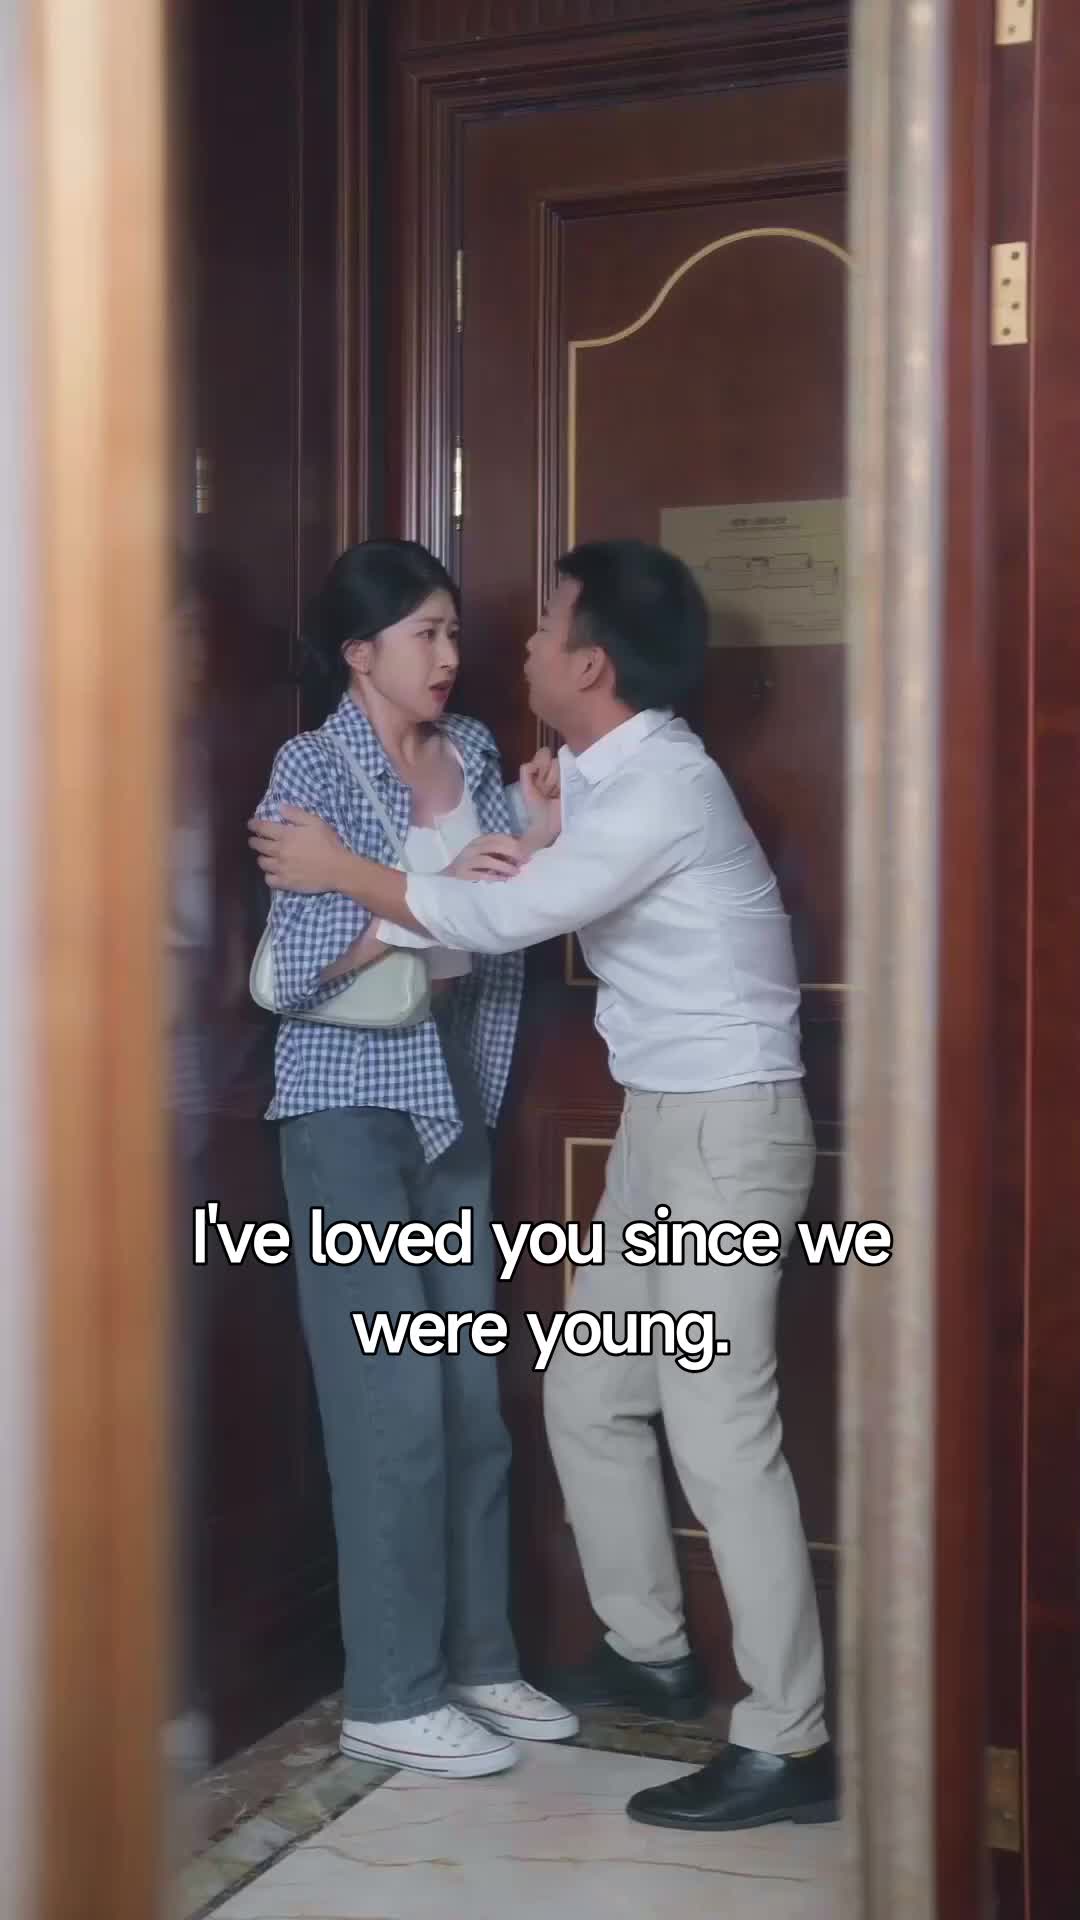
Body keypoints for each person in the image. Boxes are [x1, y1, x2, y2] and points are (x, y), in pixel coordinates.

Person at [249, 537, 837, 1833]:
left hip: (728, 1136)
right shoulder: (601, 779)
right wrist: (524, 836)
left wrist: (349, 872)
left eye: (542, 622)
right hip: (662, 1128)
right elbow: (498, 888)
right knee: (587, 1389)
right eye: (436, 630)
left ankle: (789, 1736)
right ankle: (650, 1650)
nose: (510, 645)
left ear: (592, 662)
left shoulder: (664, 787)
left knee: (719, 1426)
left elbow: (502, 920)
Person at [251, 538, 577, 1779]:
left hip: (454, 1089)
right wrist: (422, 894)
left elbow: (499, 913)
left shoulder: (478, 753)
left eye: (452, 631)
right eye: (423, 633)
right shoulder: (312, 764)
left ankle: (479, 1659)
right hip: (346, 1104)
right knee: (390, 1402)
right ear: (358, 652)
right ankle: (390, 1691)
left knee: (468, 1401)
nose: (448, 655)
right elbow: (298, 969)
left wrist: (532, 833)